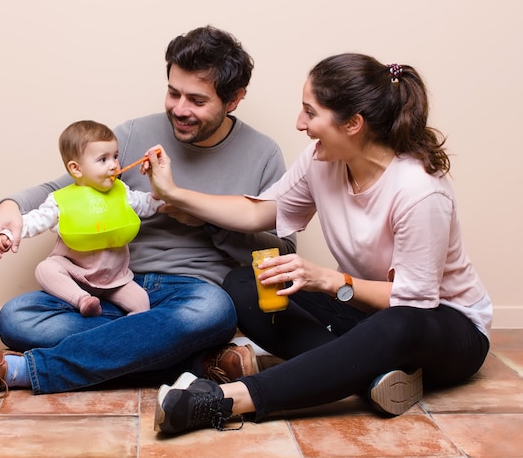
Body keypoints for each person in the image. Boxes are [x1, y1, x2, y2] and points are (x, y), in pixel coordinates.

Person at [0, 26, 296, 397]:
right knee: (17, 318)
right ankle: (196, 362)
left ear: (233, 99)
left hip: (192, 294)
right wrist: (10, 206)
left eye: (197, 101)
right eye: (172, 93)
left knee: (213, 313)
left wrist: (208, 222)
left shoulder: (262, 154)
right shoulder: (134, 134)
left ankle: (23, 370)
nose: (179, 110)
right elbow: (61, 189)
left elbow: (282, 254)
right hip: (109, 286)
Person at [146, 53, 492, 434]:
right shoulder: (321, 160)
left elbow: (414, 301)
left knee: (399, 324)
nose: (300, 124)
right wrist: (174, 193)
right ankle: (372, 378)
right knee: (246, 282)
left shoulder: (420, 192)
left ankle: (225, 401)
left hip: (443, 326)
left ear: (353, 124)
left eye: (310, 113)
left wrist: (331, 281)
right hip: (368, 314)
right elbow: (256, 213)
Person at [0, 120, 164, 317]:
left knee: (142, 301)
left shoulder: (122, 191)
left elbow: (145, 204)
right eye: (103, 159)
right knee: (46, 269)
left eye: (115, 157)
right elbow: (36, 220)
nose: (113, 165)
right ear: (76, 168)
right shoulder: (61, 200)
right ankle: (82, 300)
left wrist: (162, 197)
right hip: (74, 274)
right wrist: (9, 233)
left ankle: (125, 329)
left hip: (114, 278)